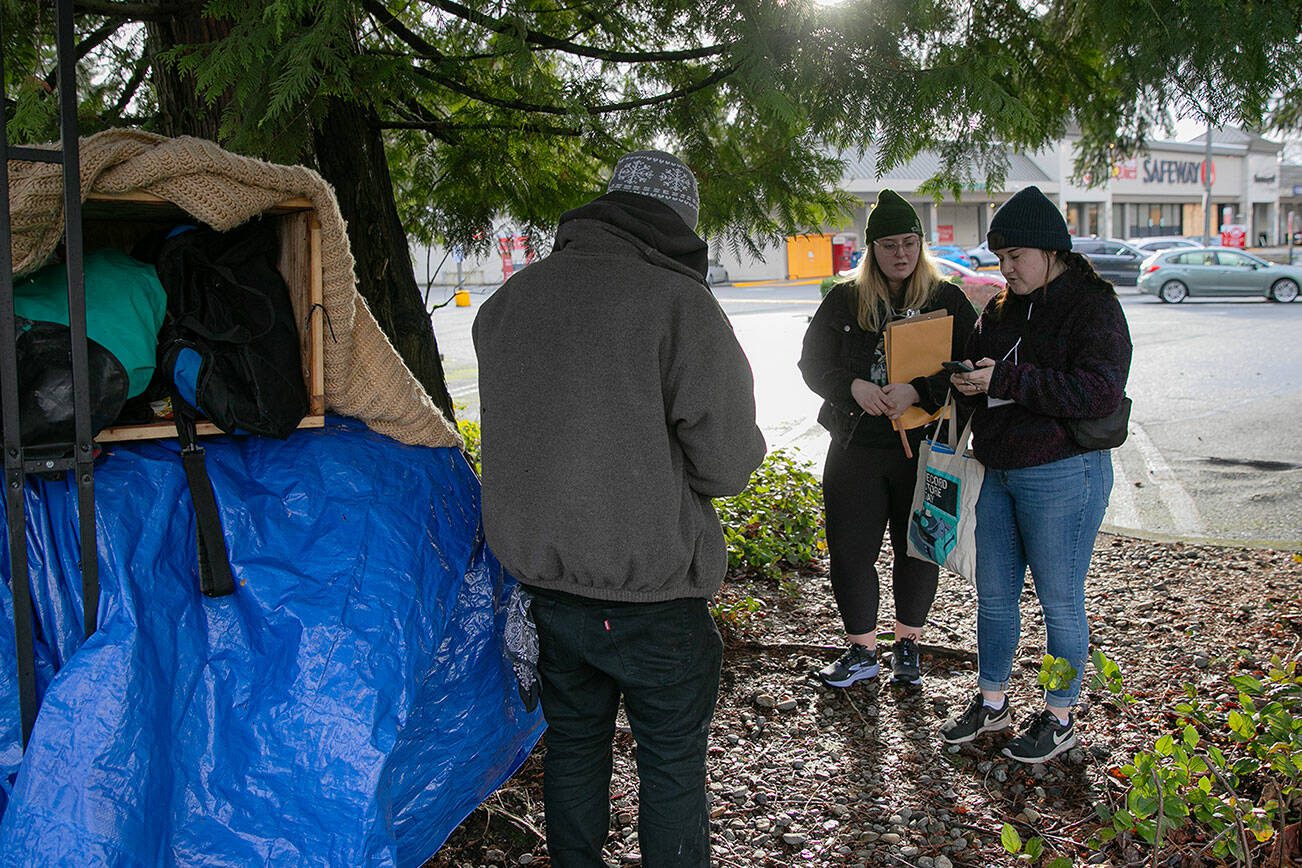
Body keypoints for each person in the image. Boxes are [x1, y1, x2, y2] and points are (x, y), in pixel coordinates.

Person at [473, 149, 766, 867]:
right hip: (655, 597)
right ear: (680, 224)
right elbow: (727, 464)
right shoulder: (678, 303)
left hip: (547, 593)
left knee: (574, 748)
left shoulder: (512, 300)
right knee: (670, 765)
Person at [940, 185, 1132, 764]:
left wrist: (1003, 380)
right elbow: (984, 368)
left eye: (1015, 257)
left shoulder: (1092, 306)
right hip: (998, 469)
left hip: (1063, 473)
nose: (1005, 269)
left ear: (1052, 252)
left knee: (1059, 600)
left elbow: (1098, 391)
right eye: (1000, 259)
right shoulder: (1000, 308)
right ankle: (992, 701)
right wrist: (967, 378)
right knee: (994, 599)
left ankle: (1060, 715)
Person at [799, 190, 977, 689]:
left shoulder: (946, 299)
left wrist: (919, 390)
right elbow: (812, 363)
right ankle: (861, 651)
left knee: (916, 548)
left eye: (909, 242)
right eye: (888, 245)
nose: (900, 254)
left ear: (921, 245)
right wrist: (852, 386)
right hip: (855, 445)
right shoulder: (845, 299)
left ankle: (907, 645)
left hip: (923, 448)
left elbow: (970, 367)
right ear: (871, 250)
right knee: (851, 551)